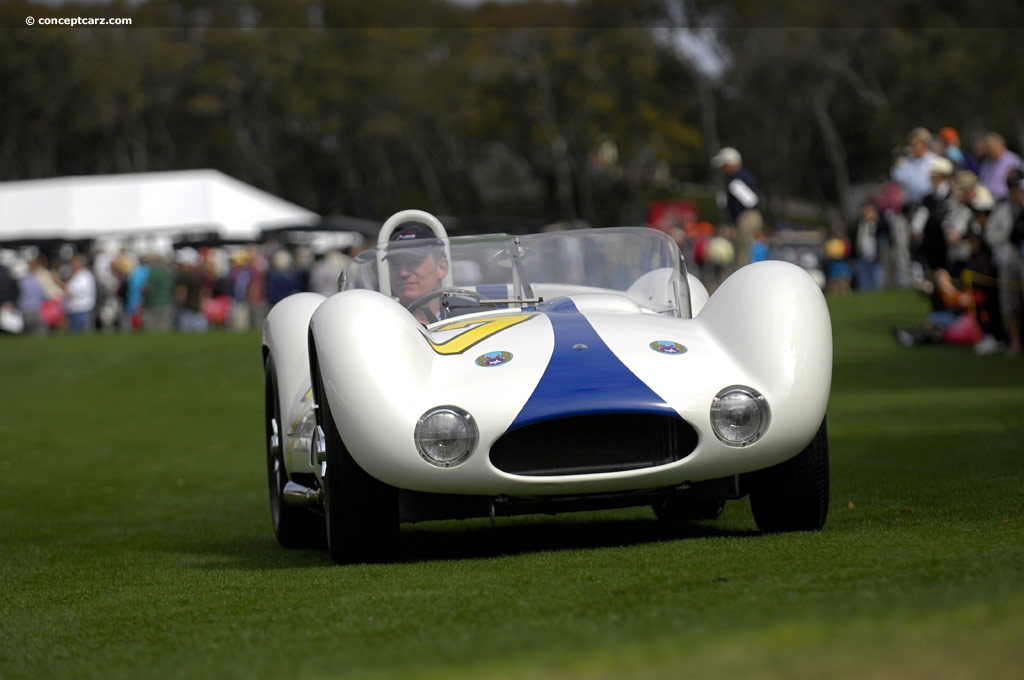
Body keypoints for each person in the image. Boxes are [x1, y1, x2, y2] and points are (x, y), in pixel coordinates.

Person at [985, 169, 1024, 356]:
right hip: (1008, 260)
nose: (1015, 192)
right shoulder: (1002, 208)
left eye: (1018, 187)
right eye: (1012, 188)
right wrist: (1007, 236)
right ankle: (1015, 342)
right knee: (1010, 303)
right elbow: (990, 234)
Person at [385, 223, 450, 324]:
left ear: (442, 268)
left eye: (414, 262)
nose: (403, 273)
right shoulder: (380, 322)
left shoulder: (469, 316)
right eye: (395, 264)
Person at [711, 147, 763, 270]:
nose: (722, 169)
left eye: (724, 165)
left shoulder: (737, 179)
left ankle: (742, 276)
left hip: (747, 217)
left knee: (742, 251)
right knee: (743, 250)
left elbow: (751, 201)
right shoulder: (741, 176)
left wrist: (729, 207)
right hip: (750, 216)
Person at [978, 132, 1023, 202]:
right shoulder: (986, 163)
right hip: (990, 200)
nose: (989, 150)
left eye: (990, 147)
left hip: (1007, 200)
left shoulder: (1012, 161)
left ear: (1000, 145)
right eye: (987, 147)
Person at [62, 254, 97, 334]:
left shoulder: (84, 276)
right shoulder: (76, 276)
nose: (71, 266)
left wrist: (58, 282)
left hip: (80, 311)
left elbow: (71, 291)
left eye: (73, 263)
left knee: (78, 335)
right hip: (74, 311)